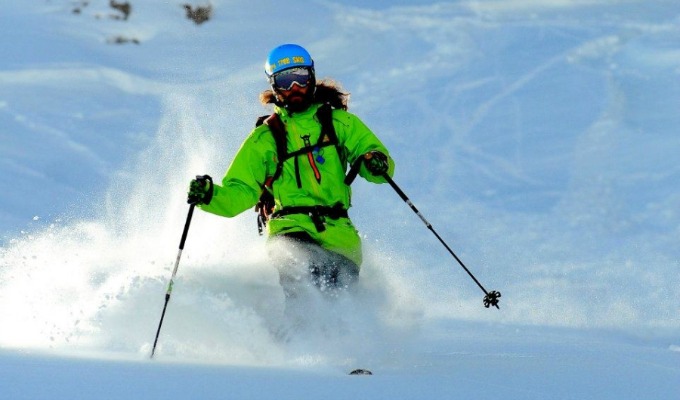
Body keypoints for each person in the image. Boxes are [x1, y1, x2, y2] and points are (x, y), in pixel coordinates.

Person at [187, 43, 394, 300]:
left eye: (300, 78)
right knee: (302, 285)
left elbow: (372, 156)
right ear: (274, 87)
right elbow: (241, 190)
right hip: (290, 228)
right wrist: (209, 196)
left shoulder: (340, 123)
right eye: (285, 81)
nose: (294, 88)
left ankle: (329, 337)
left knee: (338, 308)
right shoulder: (265, 138)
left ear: (312, 77)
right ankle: (295, 330)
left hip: (340, 237)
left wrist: (375, 162)